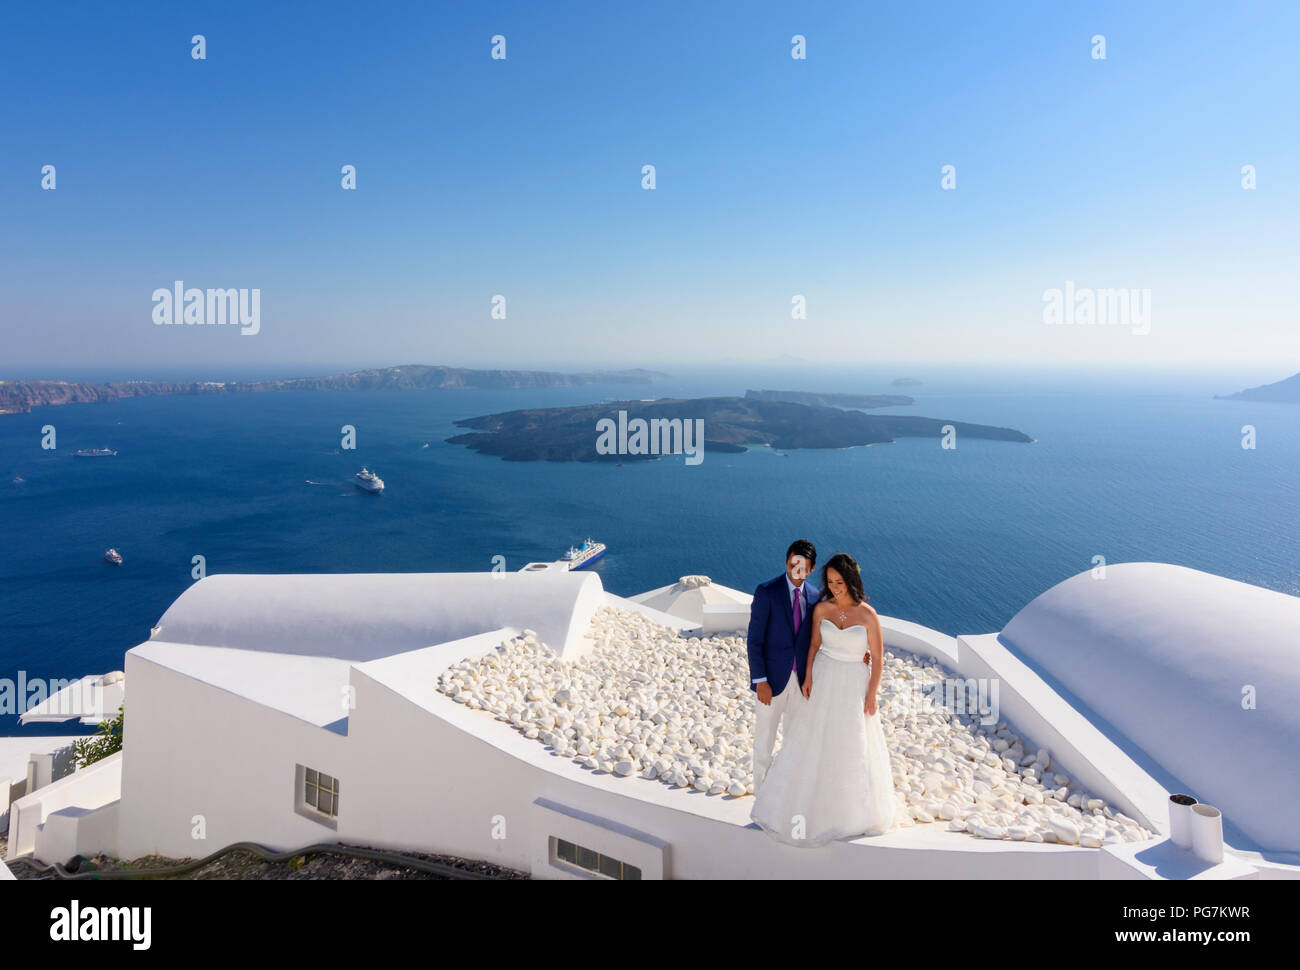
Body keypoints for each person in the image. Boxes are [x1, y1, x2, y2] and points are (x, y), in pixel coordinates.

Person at [749, 552, 899, 846]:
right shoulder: (822, 608)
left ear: (852, 580)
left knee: (851, 741)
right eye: (830, 582)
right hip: (824, 676)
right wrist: (807, 677)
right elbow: (814, 646)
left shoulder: (868, 614)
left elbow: (878, 659)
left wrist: (872, 694)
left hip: (855, 682)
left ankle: (851, 811)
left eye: (840, 582)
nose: (835, 588)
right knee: (811, 739)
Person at [746, 539, 818, 793]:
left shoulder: (815, 597)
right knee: (764, 744)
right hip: (771, 683)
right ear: (786, 562)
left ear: (810, 570)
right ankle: (760, 798)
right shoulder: (767, 592)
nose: (796, 572)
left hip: (801, 685)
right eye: (792, 565)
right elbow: (754, 640)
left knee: (794, 742)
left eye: (803, 568)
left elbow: (818, 641)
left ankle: (785, 797)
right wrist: (760, 680)